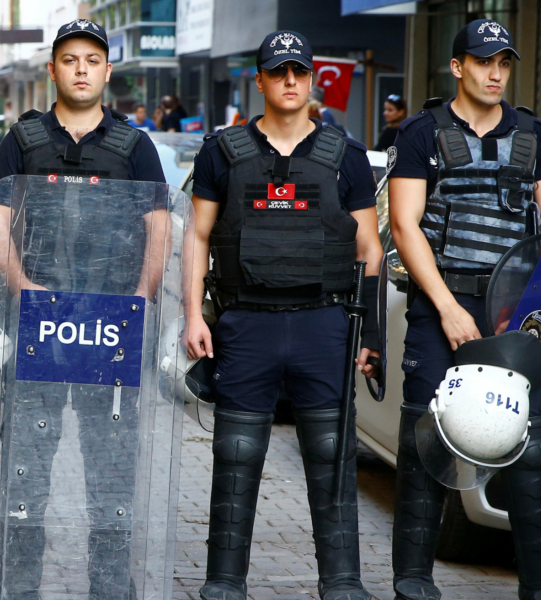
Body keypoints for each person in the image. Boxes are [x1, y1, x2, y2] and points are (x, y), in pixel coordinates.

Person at [184, 30, 383, 600]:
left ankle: (342, 582)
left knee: (331, 454)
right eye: (278, 71)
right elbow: (197, 236)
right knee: (237, 454)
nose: (290, 80)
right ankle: (224, 582)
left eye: (299, 70)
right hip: (246, 323)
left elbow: (369, 248)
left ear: (311, 78)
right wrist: (193, 314)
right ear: (260, 81)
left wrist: (370, 333)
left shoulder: (345, 156)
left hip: (324, 324)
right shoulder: (221, 151)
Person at [0, 17, 166, 599]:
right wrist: (23, 287)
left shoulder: (135, 147)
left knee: (111, 471)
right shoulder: (23, 140)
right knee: (25, 469)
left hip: (109, 330)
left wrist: (139, 299)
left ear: (107, 71)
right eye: (69, 59)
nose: (81, 69)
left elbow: (160, 231)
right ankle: (18, 587)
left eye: (91, 60)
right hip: (37, 325)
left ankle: (110, 587)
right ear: (53, 69)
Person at [387, 19, 541, 600]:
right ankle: (413, 584)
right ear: (457, 66)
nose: (496, 73)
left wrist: (529, 312)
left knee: (532, 447)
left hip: (513, 314)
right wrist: (445, 306)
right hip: (442, 304)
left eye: (504, 63)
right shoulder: (422, 133)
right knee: (426, 440)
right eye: (484, 61)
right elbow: (405, 226)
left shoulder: (537, 137)